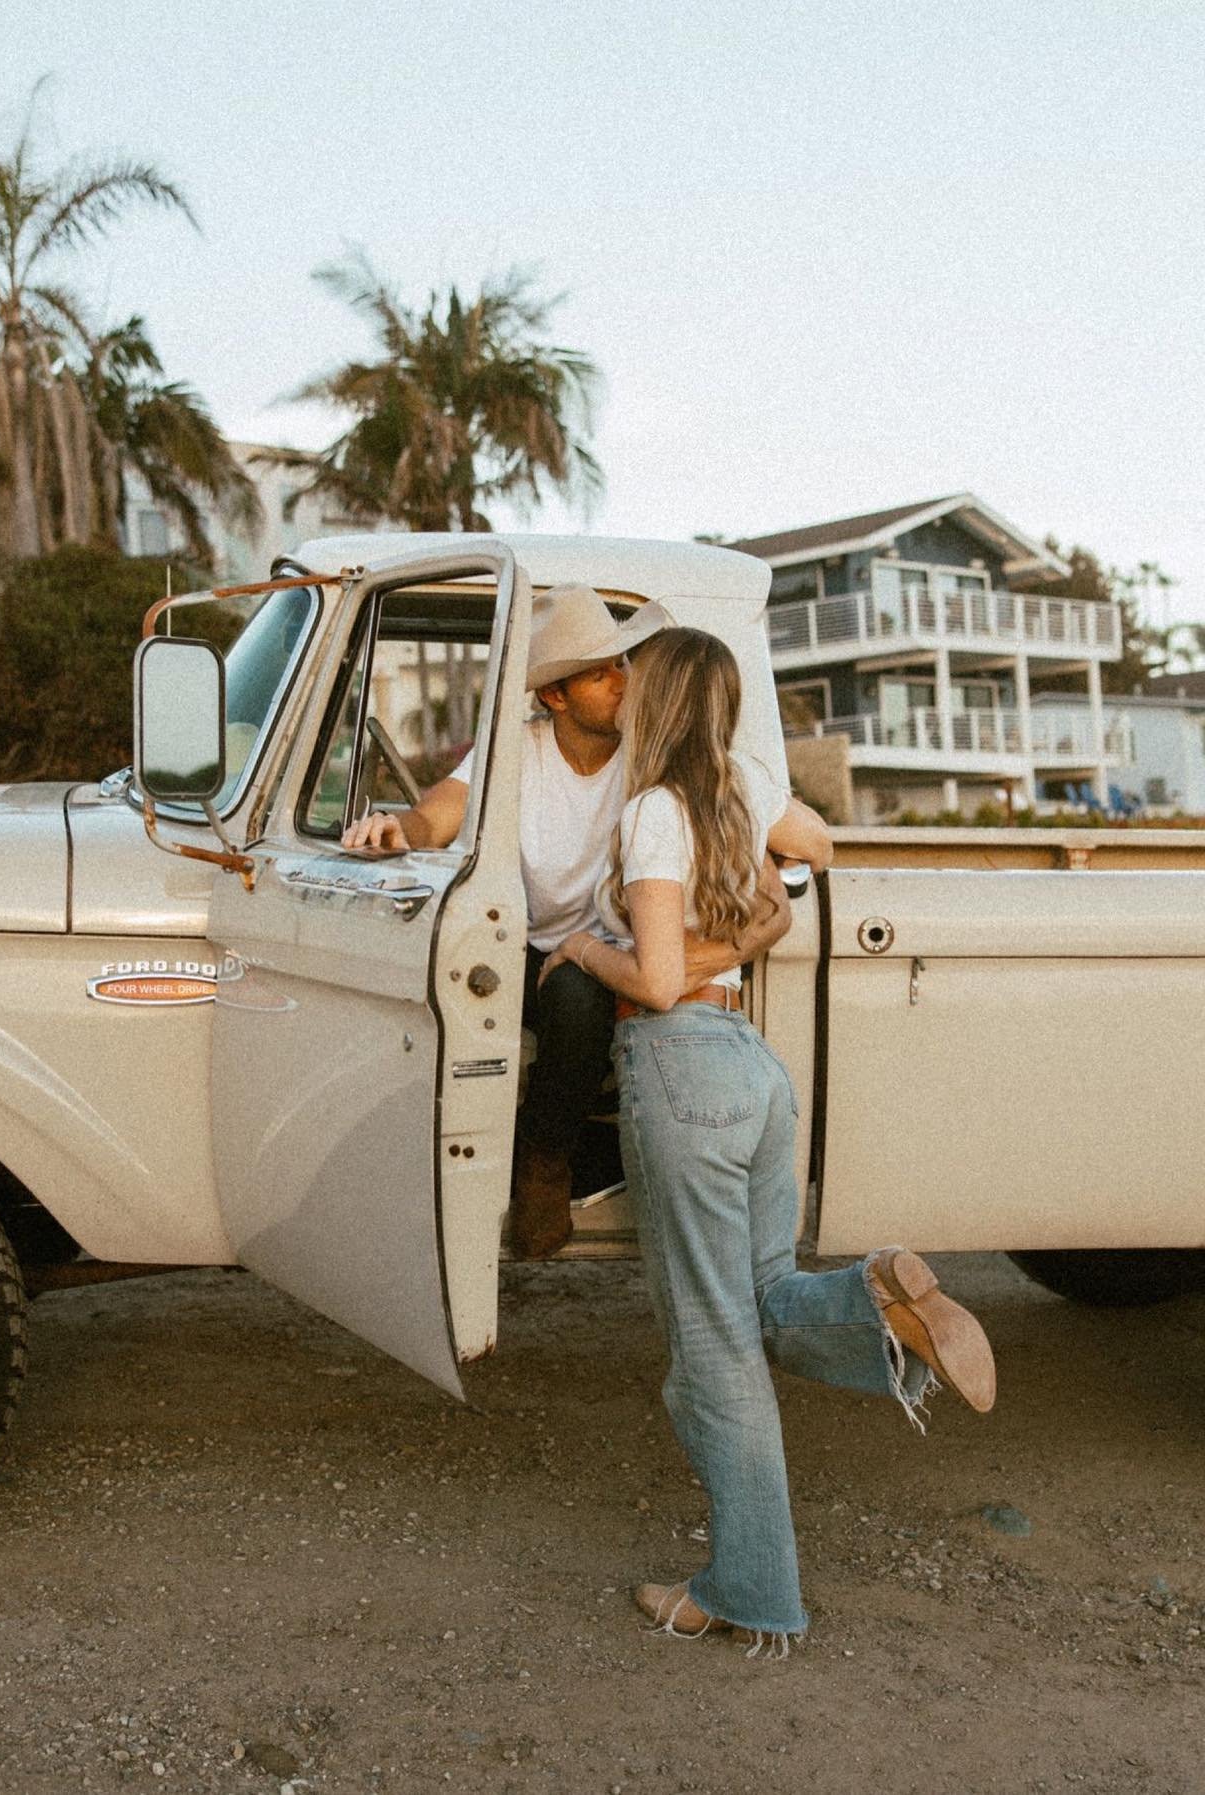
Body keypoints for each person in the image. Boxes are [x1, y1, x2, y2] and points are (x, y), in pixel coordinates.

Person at [541, 626, 996, 1655]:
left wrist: (580, 947)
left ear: (653, 704)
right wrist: (753, 927)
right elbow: (820, 847)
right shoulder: (740, 785)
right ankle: (872, 1298)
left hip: (682, 1063)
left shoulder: (657, 810)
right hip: (752, 1066)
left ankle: (748, 1588)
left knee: (713, 1350)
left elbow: (654, 981)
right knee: (764, 1304)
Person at [342, 585, 792, 1258]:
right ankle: (523, 1161)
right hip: (526, 950)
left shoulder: (654, 753)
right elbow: (437, 813)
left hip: (622, 955)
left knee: (584, 995)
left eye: (623, 663)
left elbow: (791, 830)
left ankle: (550, 1160)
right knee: (535, 983)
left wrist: (770, 866)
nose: (623, 680)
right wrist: (394, 828)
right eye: (600, 671)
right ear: (554, 695)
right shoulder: (516, 751)